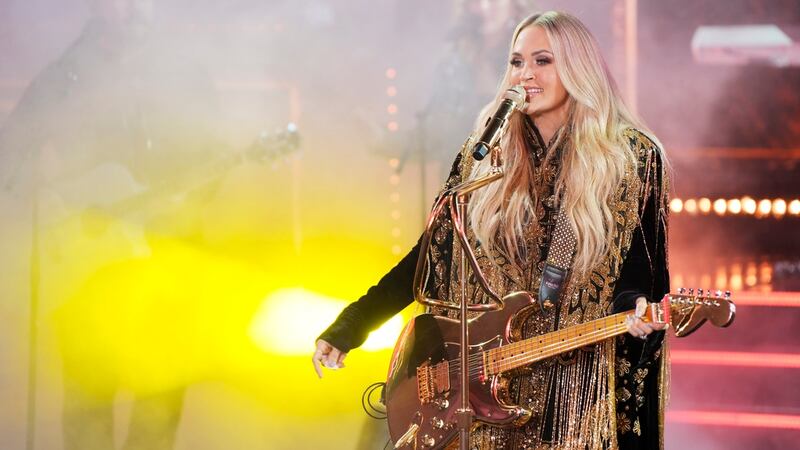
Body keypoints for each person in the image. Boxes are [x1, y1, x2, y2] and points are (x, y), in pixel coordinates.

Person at [313, 11, 669, 450]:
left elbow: (640, 268)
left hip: (575, 390)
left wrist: (635, 308)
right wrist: (352, 324)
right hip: (489, 387)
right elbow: (431, 254)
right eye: (516, 62)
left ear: (578, 68)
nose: (525, 75)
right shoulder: (484, 154)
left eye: (543, 61)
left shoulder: (631, 158)